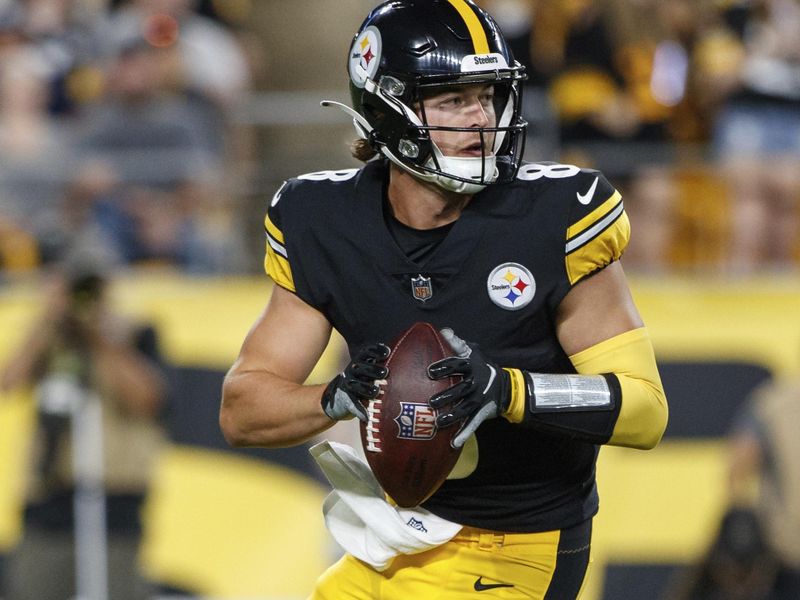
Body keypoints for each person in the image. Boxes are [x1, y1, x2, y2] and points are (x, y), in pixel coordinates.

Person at [220, 1, 668, 598]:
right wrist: (334, 397)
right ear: (386, 109)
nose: (482, 118)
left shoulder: (555, 214)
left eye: (488, 96)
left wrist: (508, 391)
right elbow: (243, 410)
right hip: (396, 541)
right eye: (454, 99)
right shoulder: (322, 220)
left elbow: (645, 409)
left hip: (516, 546)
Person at [0, 252, 168, 600]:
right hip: (50, 495)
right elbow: (9, 382)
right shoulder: (52, 336)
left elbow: (147, 400)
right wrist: (47, 320)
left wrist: (102, 336)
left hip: (114, 497)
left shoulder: (136, 333)